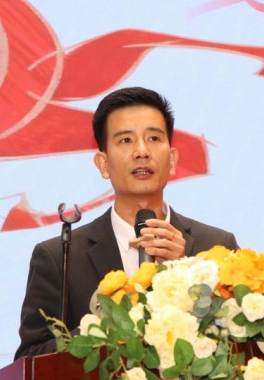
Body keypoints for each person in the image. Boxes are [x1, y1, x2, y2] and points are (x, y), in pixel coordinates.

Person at [14, 87, 238, 358]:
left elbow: (239, 343)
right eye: (126, 140)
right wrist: (107, 323)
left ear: (172, 160)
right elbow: (31, 358)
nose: (142, 151)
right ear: (103, 164)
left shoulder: (216, 247)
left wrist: (185, 274)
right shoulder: (60, 256)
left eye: (153, 138)